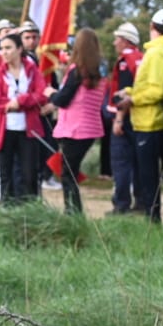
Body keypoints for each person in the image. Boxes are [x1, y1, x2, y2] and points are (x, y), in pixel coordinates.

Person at [122, 8, 163, 221]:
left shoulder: (157, 53)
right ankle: (153, 217)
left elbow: (158, 90)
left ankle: (152, 220)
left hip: (149, 122)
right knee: (150, 177)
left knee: (148, 178)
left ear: (152, 27)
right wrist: (129, 92)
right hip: (154, 121)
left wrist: (133, 99)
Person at [48, 28, 110, 215]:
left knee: (68, 174)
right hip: (91, 129)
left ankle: (73, 212)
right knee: (71, 171)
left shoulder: (76, 71)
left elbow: (63, 99)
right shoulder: (100, 73)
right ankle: (74, 210)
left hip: (74, 128)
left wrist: (50, 93)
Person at [0, 32, 47, 203]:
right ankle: (6, 208)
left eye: (8, 48)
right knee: (5, 173)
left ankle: (31, 209)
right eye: (2, 49)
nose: (4, 52)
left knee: (29, 174)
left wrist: (20, 101)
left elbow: (41, 94)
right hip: (4, 130)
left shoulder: (32, 70)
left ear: (19, 49)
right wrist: (24, 101)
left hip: (28, 129)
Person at [106, 22, 144, 214]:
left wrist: (119, 118)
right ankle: (141, 201)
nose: (114, 43)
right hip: (139, 118)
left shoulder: (124, 62)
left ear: (125, 40)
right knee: (138, 162)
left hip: (125, 116)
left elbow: (123, 94)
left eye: (117, 39)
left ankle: (121, 204)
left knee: (121, 163)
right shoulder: (141, 58)